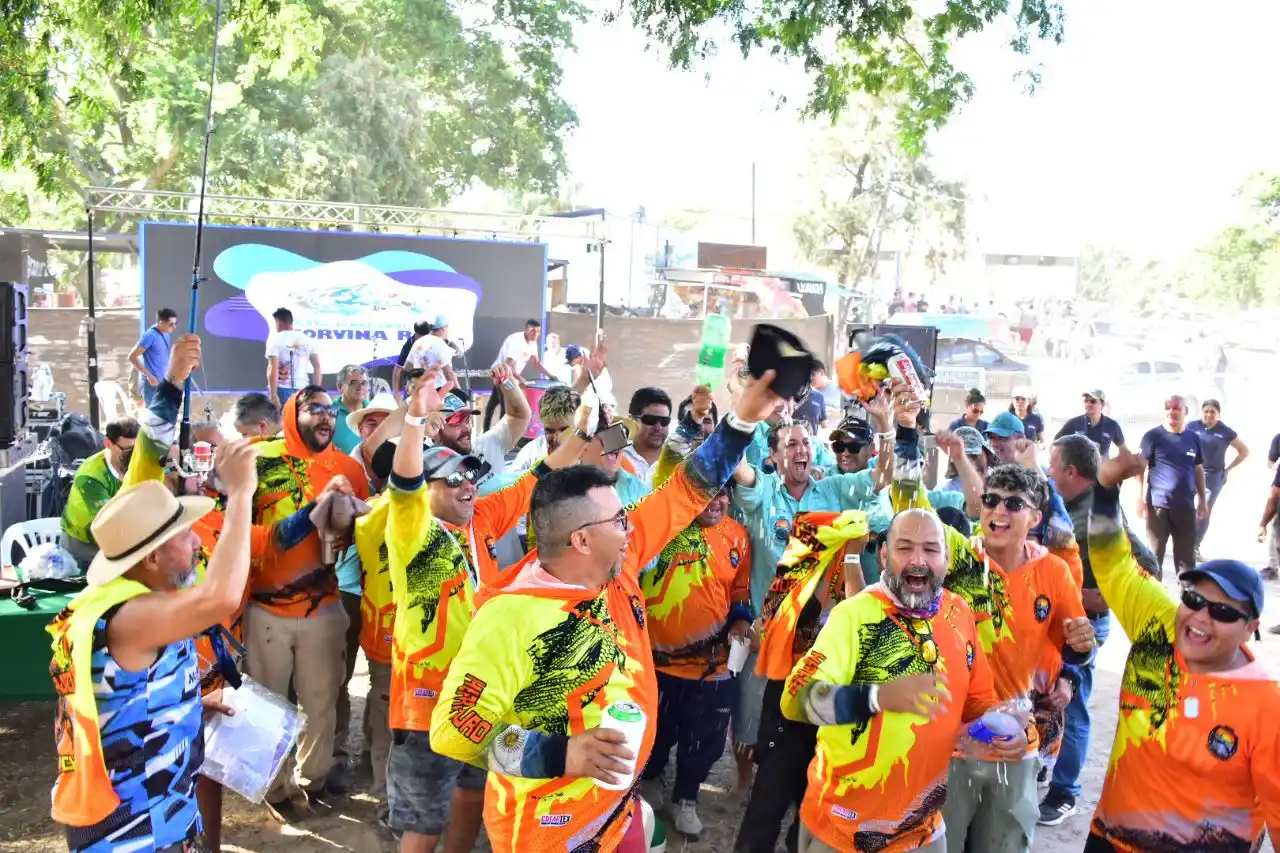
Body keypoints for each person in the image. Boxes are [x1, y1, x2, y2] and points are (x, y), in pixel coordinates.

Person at [428, 372, 782, 853]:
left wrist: (741, 421)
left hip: (617, 811)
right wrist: (561, 753)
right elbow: (454, 727)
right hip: (544, 833)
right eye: (618, 520)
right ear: (581, 539)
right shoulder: (510, 615)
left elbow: (684, 492)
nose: (629, 527)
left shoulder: (620, 564)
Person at [368, 372, 592, 853]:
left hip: (480, 696)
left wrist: (588, 432)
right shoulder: (412, 531)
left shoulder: (483, 519)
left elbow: (542, 474)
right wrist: (413, 416)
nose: (466, 486)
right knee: (424, 822)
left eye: (470, 476)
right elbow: (404, 481)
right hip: (425, 704)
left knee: (473, 795)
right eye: (452, 480)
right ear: (427, 491)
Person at [48, 437, 257, 853]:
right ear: (151, 560)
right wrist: (242, 494)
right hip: (134, 831)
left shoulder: (133, 600)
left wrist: (188, 702)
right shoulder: (129, 616)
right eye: (185, 536)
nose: (199, 542)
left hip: (162, 816)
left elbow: (129, 692)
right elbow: (221, 597)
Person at [779, 509, 1015, 853]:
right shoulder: (853, 616)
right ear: (885, 555)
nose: (918, 561)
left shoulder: (959, 613)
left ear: (946, 558)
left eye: (931, 550)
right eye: (905, 548)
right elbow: (794, 699)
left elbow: (977, 700)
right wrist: (876, 698)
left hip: (924, 831)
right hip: (843, 830)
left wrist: (1002, 728)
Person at [1086, 451, 1280, 852]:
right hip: (1109, 840)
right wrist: (1106, 489)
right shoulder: (1158, 621)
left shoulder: (1267, 707)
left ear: (1250, 629)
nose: (1201, 617)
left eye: (1224, 611)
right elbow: (1113, 562)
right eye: (1194, 598)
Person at [942, 464, 1094, 853]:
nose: (999, 512)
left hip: (1013, 742)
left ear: (1035, 517)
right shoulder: (956, 560)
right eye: (991, 500)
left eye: (1014, 504)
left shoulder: (1053, 571)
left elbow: (1075, 645)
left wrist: (1076, 663)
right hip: (949, 742)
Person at [245, 386, 370, 821]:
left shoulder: (347, 468)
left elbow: (364, 526)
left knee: (320, 701)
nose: (325, 417)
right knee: (268, 705)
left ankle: (312, 780)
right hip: (265, 609)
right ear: (291, 412)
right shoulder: (259, 459)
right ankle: (275, 788)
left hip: (324, 606)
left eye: (330, 410)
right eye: (314, 408)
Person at [1037, 434, 1160, 826]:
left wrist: (1092, 596)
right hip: (1061, 619)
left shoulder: (1095, 512)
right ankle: (1045, 763)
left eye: (1054, 466)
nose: (1049, 472)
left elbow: (1148, 565)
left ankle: (1065, 793)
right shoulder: (1068, 504)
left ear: (1071, 471)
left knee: (1072, 704)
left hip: (1085, 624)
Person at [639, 485, 752, 838]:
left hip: (712, 666)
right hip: (657, 664)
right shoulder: (662, 528)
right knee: (654, 734)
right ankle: (651, 779)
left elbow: (739, 590)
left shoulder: (737, 536)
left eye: (722, 494)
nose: (714, 502)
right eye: (706, 494)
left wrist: (741, 620)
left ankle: (686, 797)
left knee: (706, 741)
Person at [1136, 394, 1208, 575]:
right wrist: (1140, 498)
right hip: (1158, 506)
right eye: (1168, 408)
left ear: (1186, 412)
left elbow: (1198, 469)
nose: (1171, 412)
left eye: (1176, 408)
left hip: (1185, 507)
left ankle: (1187, 599)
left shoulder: (1193, 438)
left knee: (1186, 561)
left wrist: (1202, 500)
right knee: (1154, 557)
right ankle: (1153, 599)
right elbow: (1140, 468)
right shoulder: (1152, 436)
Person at [61, 417, 140, 570]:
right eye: (126, 450)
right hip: (85, 547)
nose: (133, 455)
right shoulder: (90, 477)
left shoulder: (136, 461)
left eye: (137, 449)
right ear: (108, 443)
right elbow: (109, 522)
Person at [431, 364, 530, 485]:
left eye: (467, 419)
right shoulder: (426, 472)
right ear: (433, 427)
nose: (466, 427)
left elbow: (519, 416)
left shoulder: (488, 445)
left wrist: (507, 381)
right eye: (456, 421)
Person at [1186, 398, 1249, 558]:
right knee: (1181, 506)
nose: (1208, 415)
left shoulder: (1225, 431)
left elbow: (1244, 450)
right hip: (1191, 472)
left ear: (1218, 414)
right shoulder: (1192, 426)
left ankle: (1194, 546)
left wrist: (1228, 469)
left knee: (1204, 507)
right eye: (1206, 411)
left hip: (1213, 475)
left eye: (1212, 412)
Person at [483, 319, 554, 429]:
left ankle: (489, 431)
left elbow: (536, 362)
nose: (535, 334)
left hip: (510, 376)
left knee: (494, 403)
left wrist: (550, 375)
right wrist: (521, 380)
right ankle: (498, 435)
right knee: (505, 406)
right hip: (501, 373)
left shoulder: (533, 342)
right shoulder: (516, 341)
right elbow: (508, 365)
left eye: (538, 331)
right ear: (526, 330)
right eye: (532, 331)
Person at [266, 308, 321, 408]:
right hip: (304, 388)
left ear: (278, 322)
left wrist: (273, 394)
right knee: (300, 421)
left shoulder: (275, 340)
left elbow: (272, 368)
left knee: (282, 421)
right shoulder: (308, 339)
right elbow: (317, 366)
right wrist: (316, 391)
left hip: (282, 388)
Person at [624, 386, 674, 488]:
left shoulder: (678, 460)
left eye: (664, 421)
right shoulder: (616, 456)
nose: (658, 427)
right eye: (651, 420)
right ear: (632, 420)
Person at [129, 307, 178, 405]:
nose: (174, 327)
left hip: (163, 382)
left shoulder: (166, 333)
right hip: (151, 384)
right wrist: (149, 376)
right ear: (161, 322)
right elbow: (132, 357)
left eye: (175, 323)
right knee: (154, 416)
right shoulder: (149, 336)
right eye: (171, 324)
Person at [1055, 390, 1125, 457]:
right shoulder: (1073, 423)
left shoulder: (1112, 425)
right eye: (1086, 401)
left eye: (1093, 401)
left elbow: (1123, 450)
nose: (1088, 404)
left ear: (1102, 405)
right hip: (1080, 467)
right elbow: (1056, 443)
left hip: (1103, 467)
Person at [404, 314, 459, 393]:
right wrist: (459, 393)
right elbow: (448, 374)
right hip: (437, 392)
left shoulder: (419, 342)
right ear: (444, 328)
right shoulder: (441, 344)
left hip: (419, 392)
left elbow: (407, 366)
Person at [332, 365, 371, 455]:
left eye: (364, 383)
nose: (360, 387)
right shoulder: (328, 412)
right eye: (354, 383)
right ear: (340, 387)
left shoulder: (375, 409)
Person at [392, 321, 431, 394]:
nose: (424, 340)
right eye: (422, 337)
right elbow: (397, 369)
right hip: (413, 381)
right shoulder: (408, 346)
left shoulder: (432, 338)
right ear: (416, 334)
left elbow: (448, 341)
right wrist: (396, 392)